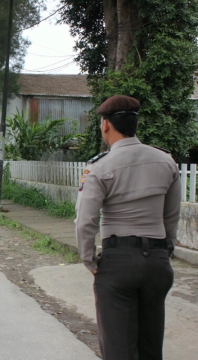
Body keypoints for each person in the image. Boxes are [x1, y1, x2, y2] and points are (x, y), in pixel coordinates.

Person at [74, 95, 180, 360]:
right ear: (135, 124)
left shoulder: (99, 167)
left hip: (118, 261)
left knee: (118, 348)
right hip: (157, 262)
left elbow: (85, 220)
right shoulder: (166, 161)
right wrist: (164, 251)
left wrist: (89, 260)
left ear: (106, 125)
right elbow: (171, 216)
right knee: (150, 345)